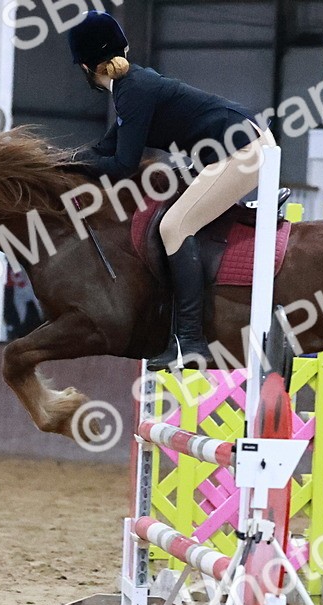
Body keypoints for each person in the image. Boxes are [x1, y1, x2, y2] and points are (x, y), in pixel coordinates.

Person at [68, 11, 276, 370]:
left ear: (86, 66)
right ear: (124, 48)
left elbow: (122, 165)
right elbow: (105, 148)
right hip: (232, 148)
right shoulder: (133, 85)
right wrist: (59, 162)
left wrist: (76, 167)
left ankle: (189, 341)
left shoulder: (133, 91)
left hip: (244, 151)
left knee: (173, 227)